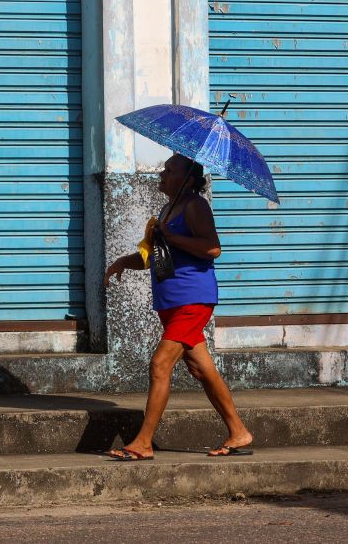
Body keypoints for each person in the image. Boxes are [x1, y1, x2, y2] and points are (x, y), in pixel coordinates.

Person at [103, 152, 254, 460]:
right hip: (171, 303)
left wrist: (173, 237)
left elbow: (212, 248)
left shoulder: (196, 206)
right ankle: (238, 431)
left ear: (186, 180)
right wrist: (123, 262)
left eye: (169, 170)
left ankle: (143, 443)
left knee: (160, 365)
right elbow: (156, 256)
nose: (162, 174)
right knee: (201, 368)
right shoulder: (168, 208)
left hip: (192, 300)